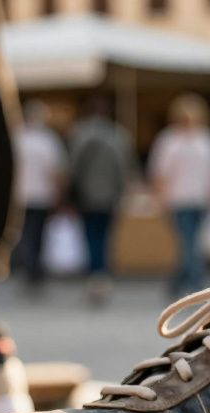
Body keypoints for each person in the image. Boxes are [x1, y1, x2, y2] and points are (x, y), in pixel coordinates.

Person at [149, 94, 210, 296]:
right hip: (178, 199)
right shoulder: (169, 140)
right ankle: (196, 283)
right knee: (188, 242)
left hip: (202, 198)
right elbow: (160, 172)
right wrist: (160, 198)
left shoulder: (208, 139)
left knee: (191, 243)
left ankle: (176, 282)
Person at [68, 95, 135, 304]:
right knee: (106, 237)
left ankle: (95, 275)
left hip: (86, 196)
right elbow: (125, 168)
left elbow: (72, 167)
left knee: (90, 236)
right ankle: (102, 275)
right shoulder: (118, 135)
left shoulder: (79, 133)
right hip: (110, 196)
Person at [12, 100, 66, 290]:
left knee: (26, 232)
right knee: (38, 234)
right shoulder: (48, 141)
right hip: (42, 194)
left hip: (22, 195)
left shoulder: (19, 138)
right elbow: (56, 171)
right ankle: (34, 268)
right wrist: (58, 193)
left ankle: (28, 267)